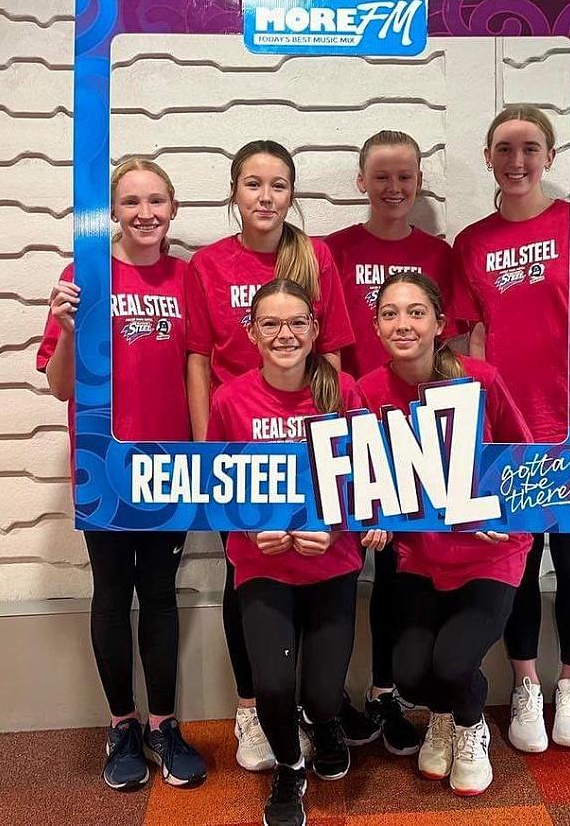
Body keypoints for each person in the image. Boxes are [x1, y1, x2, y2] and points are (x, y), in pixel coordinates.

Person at [450, 104, 570, 753]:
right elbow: (472, 338)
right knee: (519, 562)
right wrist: (476, 427)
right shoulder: (471, 243)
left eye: (530, 148)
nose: (517, 160)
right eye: (504, 148)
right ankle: (526, 683)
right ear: (488, 158)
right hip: (510, 427)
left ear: (550, 157)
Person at [185, 140, 355, 771]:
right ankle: (253, 709)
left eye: (278, 185)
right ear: (234, 192)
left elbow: (330, 351)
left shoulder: (315, 255)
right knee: (248, 573)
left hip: (307, 436)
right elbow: (197, 359)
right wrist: (208, 457)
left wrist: (329, 433)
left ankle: (320, 706)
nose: (265, 196)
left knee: (318, 560)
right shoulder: (208, 264)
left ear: (292, 193)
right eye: (252, 184)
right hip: (241, 438)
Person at [37, 158, 206, 790]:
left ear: (173, 208)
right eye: (131, 201)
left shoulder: (187, 278)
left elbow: (197, 369)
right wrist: (66, 330)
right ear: (112, 211)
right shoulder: (82, 274)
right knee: (111, 593)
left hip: (168, 464)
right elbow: (60, 387)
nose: (145, 213)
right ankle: (122, 726)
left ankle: (163, 724)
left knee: (159, 593)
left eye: (156, 200)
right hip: (101, 463)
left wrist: (201, 456)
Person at [206, 279, 380, 826]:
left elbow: (370, 482)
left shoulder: (343, 391)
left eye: (297, 322)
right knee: (273, 687)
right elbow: (215, 488)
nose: (285, 334)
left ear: (314, 329)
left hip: (332, 565)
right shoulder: (229, 399)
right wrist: (251, 531)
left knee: (324, 696)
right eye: (271, 324)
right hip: (264, 568)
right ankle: (289, 766)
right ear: (252, 332)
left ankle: (325, 724)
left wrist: (335, 529)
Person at [358, 271, 533, 796]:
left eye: (416, 312)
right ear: (376, 326)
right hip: (421, 557)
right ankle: (440, 714)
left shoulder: (481, 379)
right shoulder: (367, 391)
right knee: (409, 675)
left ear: (439, 323)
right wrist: (374, 515)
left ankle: (469, 725)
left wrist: (500, 514)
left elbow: (526, 465)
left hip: (490, 557)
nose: (403, 324)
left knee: (453, 663)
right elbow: (366, 479)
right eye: (390, 313)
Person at [325, 129, 462, 755]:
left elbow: (451, 345)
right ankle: (325, 699)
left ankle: (387, 691)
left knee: (398, 567)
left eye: (405, 176)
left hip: (417, 430)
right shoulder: (333, 250)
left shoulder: (439, 253)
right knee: (338, 566)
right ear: (361, 182)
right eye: (381, 176)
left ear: (419, 182)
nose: (393, 187)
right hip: (350, 423)